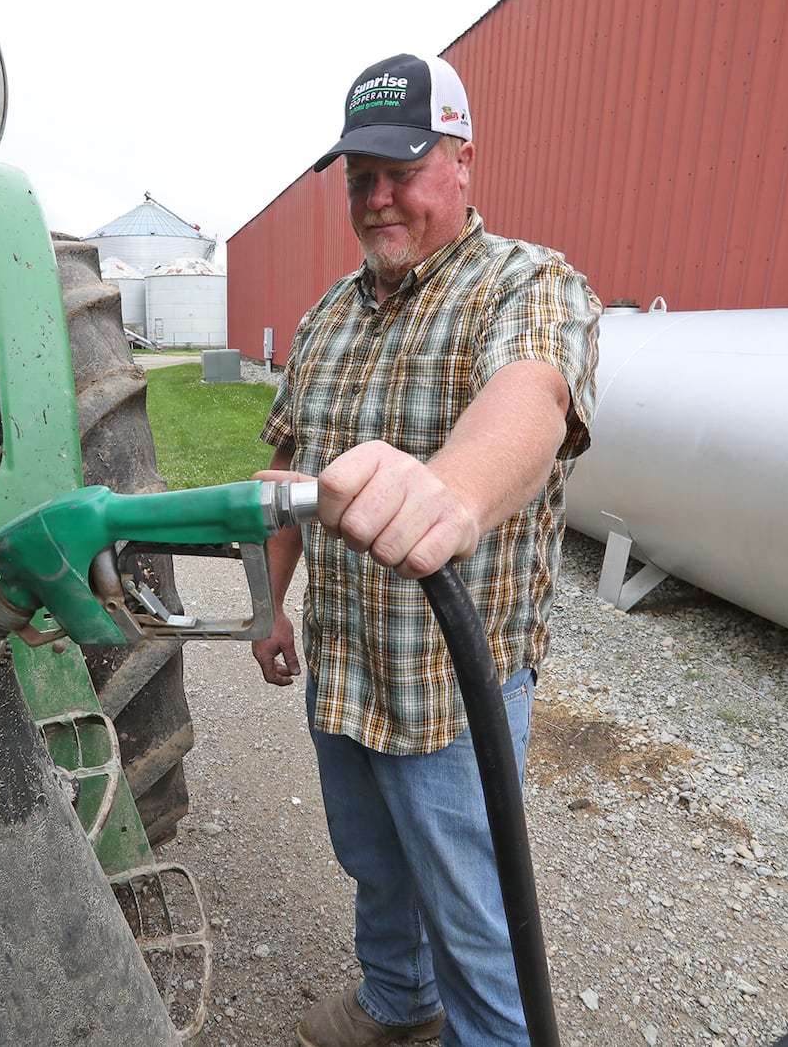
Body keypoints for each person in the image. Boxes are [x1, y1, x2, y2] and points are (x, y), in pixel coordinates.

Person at [251, 52, 601, 1047]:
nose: (377, 198)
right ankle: (398, 1001)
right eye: (360, 177)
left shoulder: (524, 284)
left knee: (475, 913)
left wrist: (452, 490)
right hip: (346, 668)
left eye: (401, 170)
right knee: (371, 861)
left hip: (454, 690)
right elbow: (282, 469)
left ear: (462, 161)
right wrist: (268, 605)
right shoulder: (323, 319)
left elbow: (532, 395)